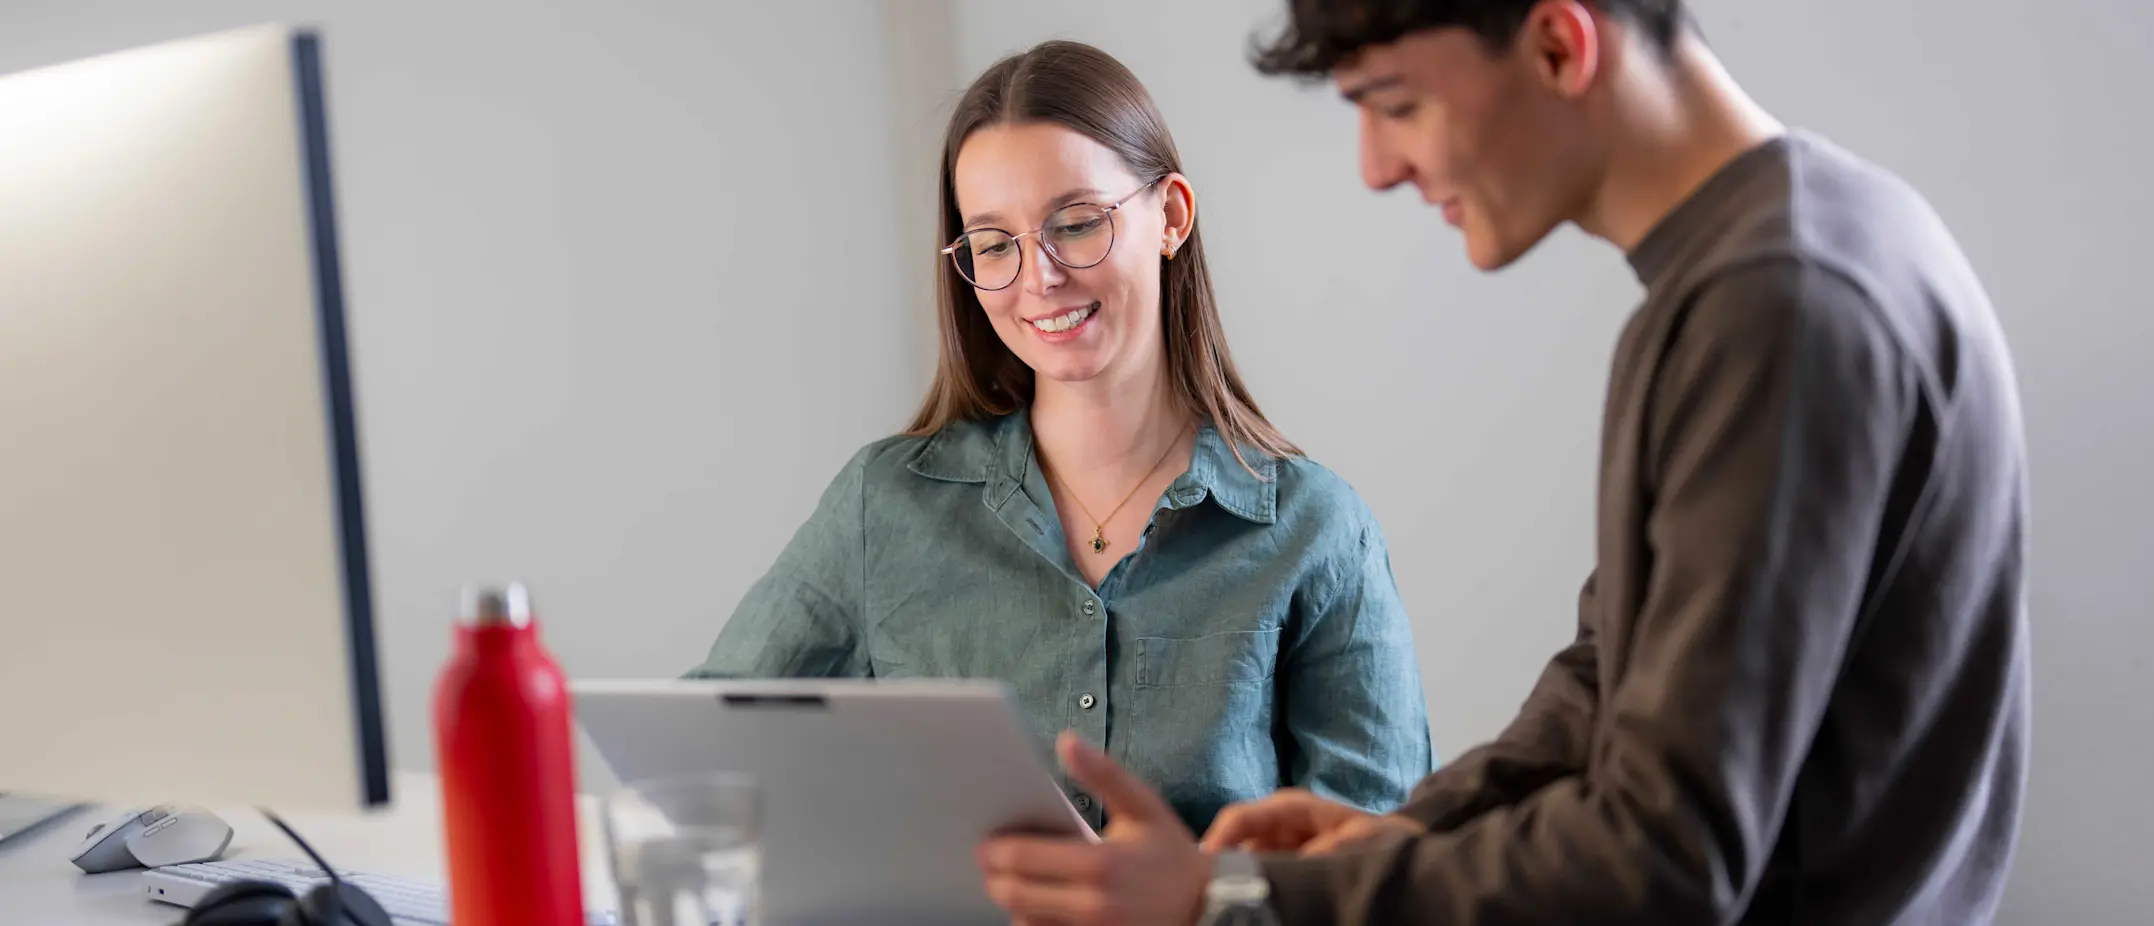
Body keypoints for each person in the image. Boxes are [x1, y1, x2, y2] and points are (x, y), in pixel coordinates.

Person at [975, 1, 2031, 924]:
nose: (1377, 165)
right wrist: (1401, 836)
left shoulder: (1777, 303)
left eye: (1397, 105)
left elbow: (1668, 854)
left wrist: (1240, 899)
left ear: (1559, 46)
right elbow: (1606, 677)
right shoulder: (1788, 254)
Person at [686, 39, 1435, 838]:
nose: (1039, 278)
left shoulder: (1317, 530)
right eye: (994, 244)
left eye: (1076, 224)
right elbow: (699, 760)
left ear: (1172, 216)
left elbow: (1380, 872)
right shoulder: (886, 505)